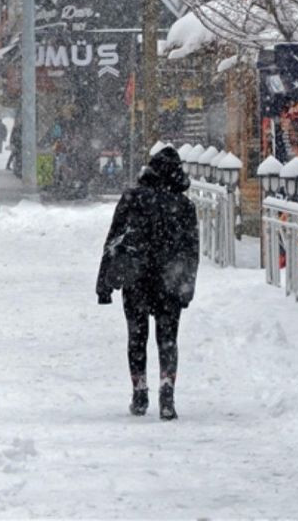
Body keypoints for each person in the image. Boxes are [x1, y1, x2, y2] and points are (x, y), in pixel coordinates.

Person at [96, 146, 199, 420]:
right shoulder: (184, 206)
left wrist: (104, 283)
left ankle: (139, 392)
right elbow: (192, 251)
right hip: (171, 280)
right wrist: (188, 286)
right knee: (168, 339)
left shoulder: (132, 199)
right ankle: (167, 394)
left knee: (136, 337)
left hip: (136, 278)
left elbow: (114, 238)